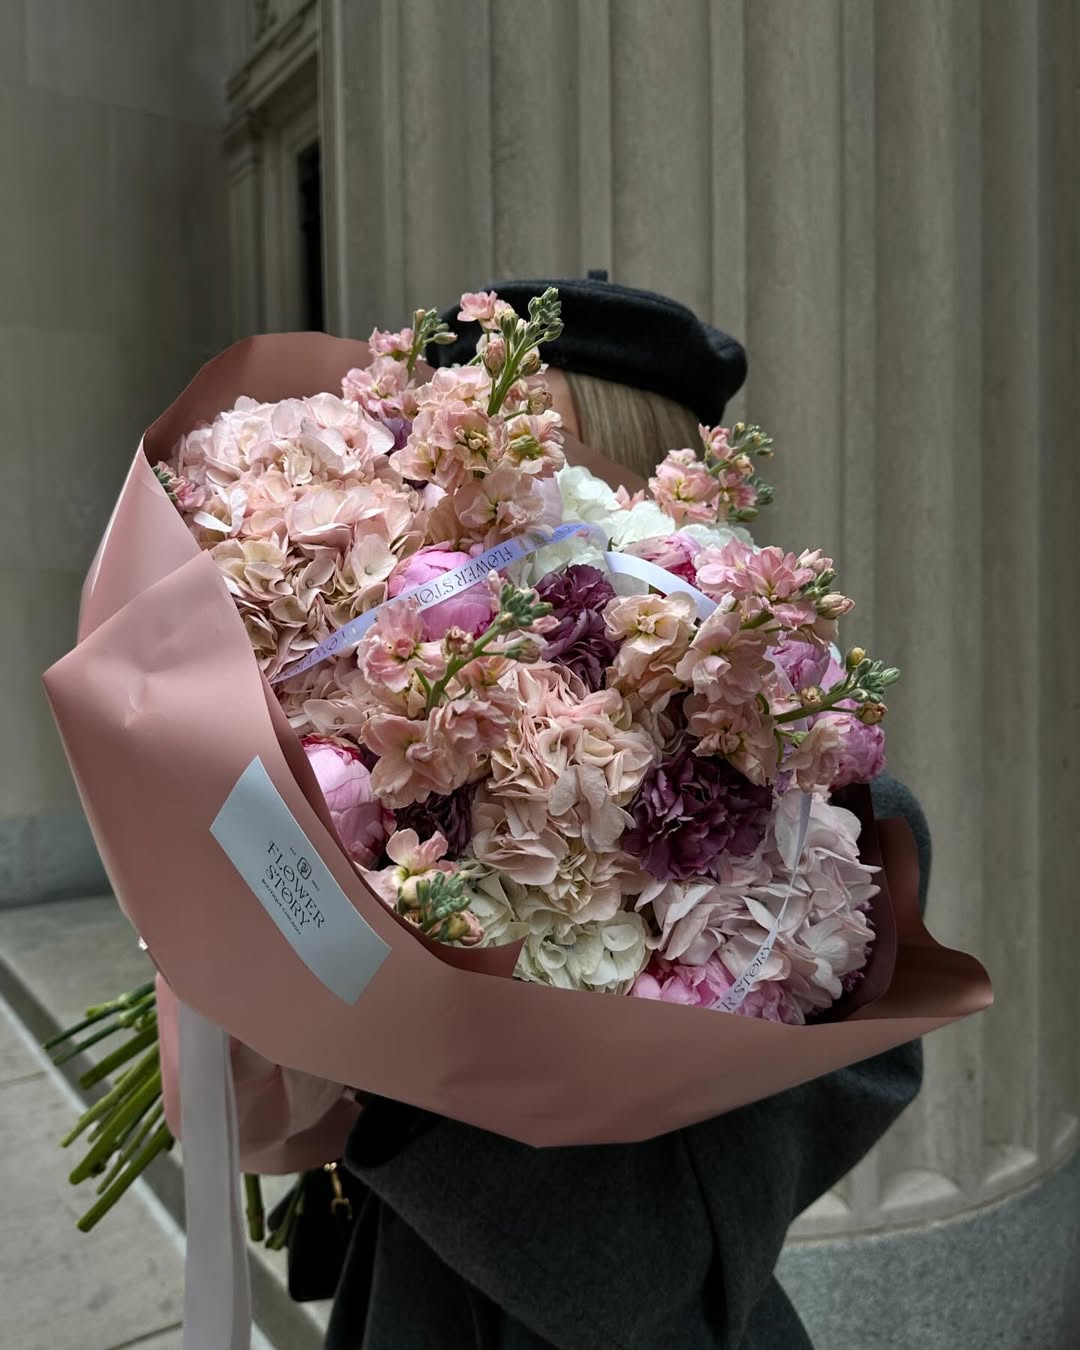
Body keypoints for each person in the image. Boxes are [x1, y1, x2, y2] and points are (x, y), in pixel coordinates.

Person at [319, 275, 929, 1350]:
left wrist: (410, 1093)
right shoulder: (396, 742)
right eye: (456, 477)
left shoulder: (829, 823)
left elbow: (666, 1265)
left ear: (649, 495)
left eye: (538, 470)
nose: (488, 514)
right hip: (412, 1295)